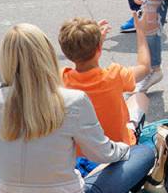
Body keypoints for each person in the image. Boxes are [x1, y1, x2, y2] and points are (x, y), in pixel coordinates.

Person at [0, 24, 155, 193]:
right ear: (48, 54)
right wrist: (126, 148)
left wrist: (11, 53)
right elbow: (102, 153)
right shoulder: (71, 100)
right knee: (143, 153)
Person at [58, 15, 150, 144]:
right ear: (99, 48)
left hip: (80, 151)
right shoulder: (115, 75)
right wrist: (141, 31)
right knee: (140, 97)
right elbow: (144, 67)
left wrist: (93, 41)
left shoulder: (61, 78)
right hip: (117, 146)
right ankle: (134, 130)